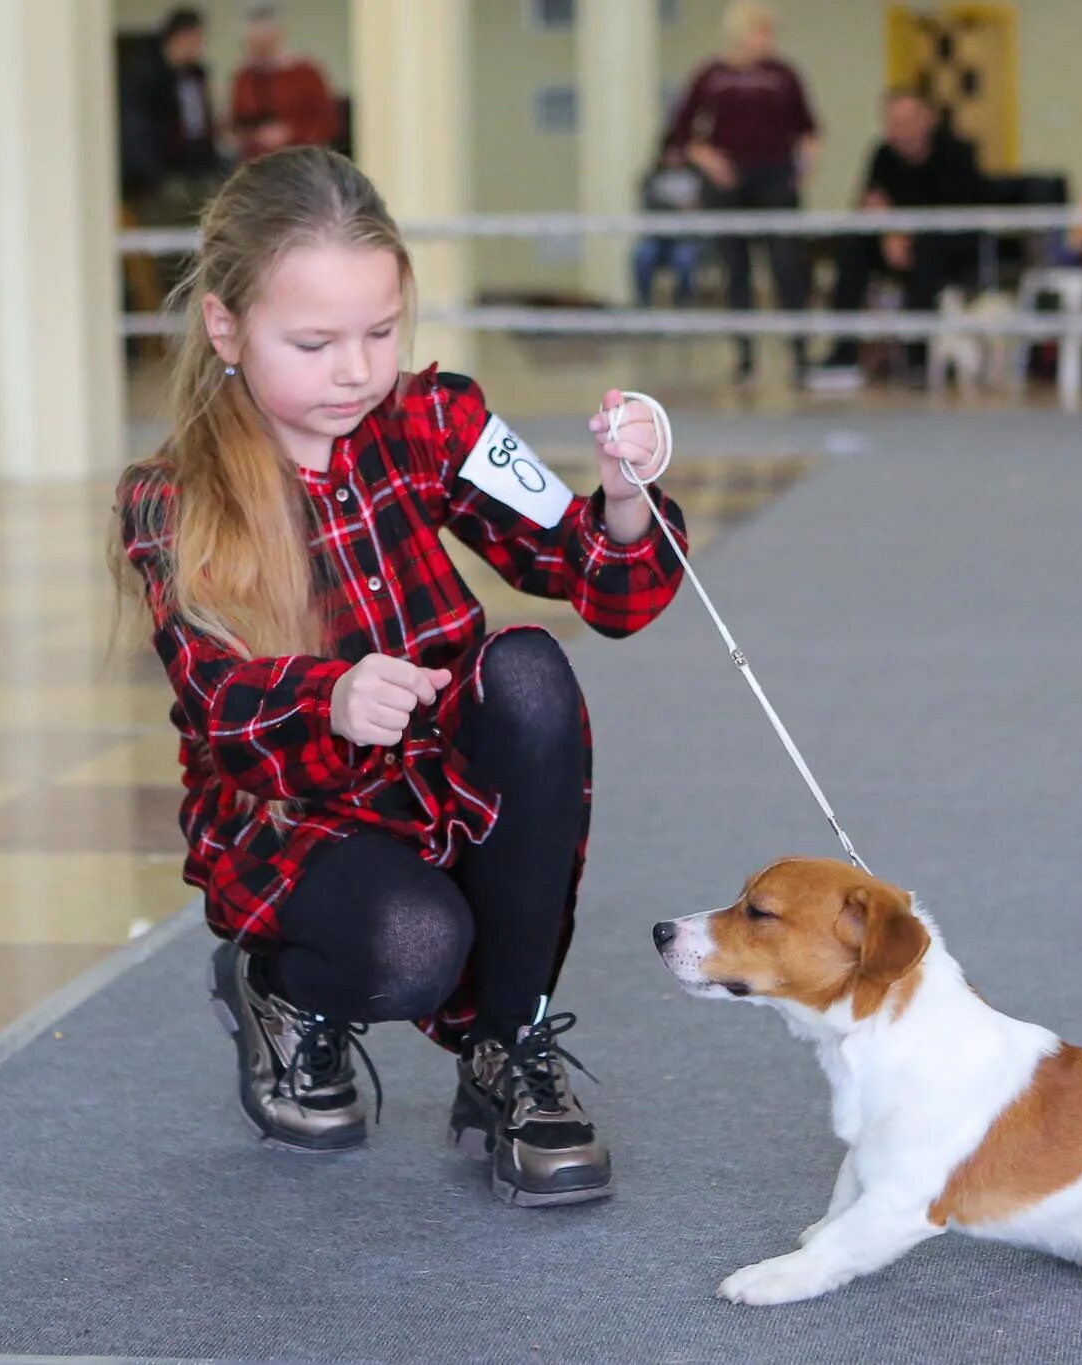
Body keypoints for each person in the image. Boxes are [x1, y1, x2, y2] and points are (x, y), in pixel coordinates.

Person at [112, 148, 686, 1206]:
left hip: (441, 779)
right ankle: (281, 992)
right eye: (314, 342)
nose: (354, 371)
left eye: (380, 333)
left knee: (527, 673)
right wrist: (325, 697)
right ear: (226, 329)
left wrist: (619, 495)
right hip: (297, 813)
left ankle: (509, 1050)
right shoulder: (170, 498)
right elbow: (212, 704)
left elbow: (608, 593)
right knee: (415, 944)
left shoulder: (437, 422)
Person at [663, 1, 818, 383]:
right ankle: (745, 358)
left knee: (786, 265)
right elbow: (682, 132)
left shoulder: (783, 75)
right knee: (737, 270)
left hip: (775, 179)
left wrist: (804, 167)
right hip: (727, 184)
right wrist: (711, 161)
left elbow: (808, 129)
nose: (768, 40)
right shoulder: (711, 75)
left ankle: (799, 353)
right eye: (761, 31)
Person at [807, 90, 994, 389]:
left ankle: (917, 353)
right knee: (852, 247)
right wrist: (888, 235)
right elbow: (868, 202)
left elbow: (959, 215)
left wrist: (906, 236)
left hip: (950, 249)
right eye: (892, 121)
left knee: (929, 251)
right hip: (896, 243)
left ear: (927, 120)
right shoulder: (883, 154)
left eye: (906, 120)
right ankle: (843, 352)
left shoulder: (956, 153)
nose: (899, 129)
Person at [120, 7, 227, 225]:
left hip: (198, 168)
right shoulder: (145, 77)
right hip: (161, 175)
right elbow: (138, 132)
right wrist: (153, 175)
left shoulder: (196, 76)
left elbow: (200, 125)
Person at [229, 4, 339, 161]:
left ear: (278, 35)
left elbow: (328, 124)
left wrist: (290, 132)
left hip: (301, 161)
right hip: (257, 164)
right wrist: (257, 135)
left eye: (265, 41)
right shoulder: (244, 78)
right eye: (254, 43)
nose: (259, 49)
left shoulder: (307, 73)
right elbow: (235, 125)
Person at [630, 141, 707, 307]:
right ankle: (643, 304)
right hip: (657, 238)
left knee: (685, 259)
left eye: (677, 154)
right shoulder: (653, 178)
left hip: (685, 239)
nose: (674, 158)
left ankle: (683, 305)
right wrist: (678, 207)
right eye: (670, 154)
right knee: (642, 256)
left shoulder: (696, 178)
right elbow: (650, 204)